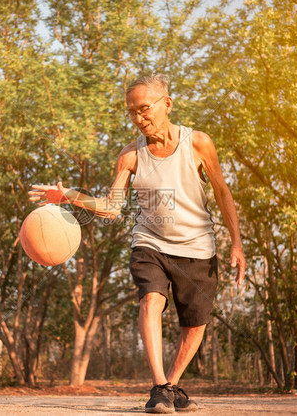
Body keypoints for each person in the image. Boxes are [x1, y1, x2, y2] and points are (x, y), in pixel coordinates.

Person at [29, 74, 246, 414]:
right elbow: (112, 208)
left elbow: (221, 191)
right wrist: (68, 195)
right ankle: (160, 387)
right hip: (151, 242)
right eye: (131, 112)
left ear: (167, 105)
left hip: (197, 247)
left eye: (144, 109)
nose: (138, 118)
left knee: (196, 325)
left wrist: (237, 243)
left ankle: (171, 386)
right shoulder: (130, 156)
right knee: (150, 300)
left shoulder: (199, 143)